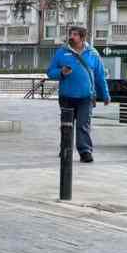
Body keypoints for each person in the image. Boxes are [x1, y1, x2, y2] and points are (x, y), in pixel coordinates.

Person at [46, 25, 110, 163]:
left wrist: (105, 94)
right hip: (66, 97)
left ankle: (85, 151)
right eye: (71, 34)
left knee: (83, 125)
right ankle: (65, 148)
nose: (71, 37)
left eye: (75, 34)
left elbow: (100, 76)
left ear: (82, 37)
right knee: (66, 125)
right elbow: (50, 72)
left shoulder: (93, 53)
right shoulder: (62, 52)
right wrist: (61, 72)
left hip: (86, 97)